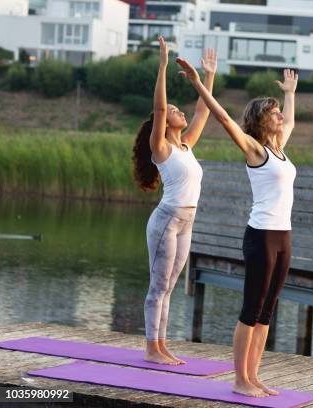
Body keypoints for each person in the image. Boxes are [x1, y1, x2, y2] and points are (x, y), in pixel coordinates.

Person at [176, 56, 298, 397]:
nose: (280, 117)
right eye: (274, 113)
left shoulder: (280, 149)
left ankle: (255, 376)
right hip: (260, 237)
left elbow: (291, 122)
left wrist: (290, 93)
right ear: (261, 120)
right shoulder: (255, 150)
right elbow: (225, 118)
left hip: (283, 237)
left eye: (279, 112)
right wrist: (201, 83)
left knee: (267, 312)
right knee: (251, 310)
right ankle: (240, 380)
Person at [131, 37, 216, 365]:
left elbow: (202, 109)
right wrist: (164, 66)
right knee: (158, 284)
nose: (178, 112)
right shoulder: (161, 148)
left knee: (169, 287)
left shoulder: (185, 146)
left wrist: (208, 76)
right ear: (165, 124)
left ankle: (161, 345)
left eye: (180, 111)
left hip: (186, 223)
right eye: (174, 112)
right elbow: (160, 108)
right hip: (167, 220)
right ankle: (151, 348)